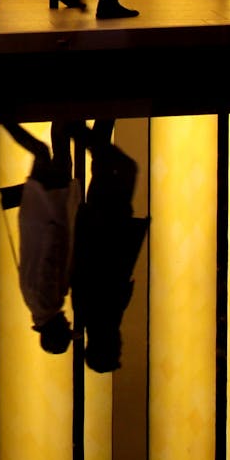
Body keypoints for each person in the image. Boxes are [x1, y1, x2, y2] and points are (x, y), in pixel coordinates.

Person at [71, 120, 149, 373]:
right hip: (104, 224)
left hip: (105, 224)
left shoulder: (97, 317)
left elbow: (86, 266)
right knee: (107, 166)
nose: (121, 346)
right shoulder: (94, 319)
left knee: (124, 169)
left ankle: (76, 129)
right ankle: (100, 118)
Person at [0, 121, 82, 354]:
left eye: (65, 328)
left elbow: (51, 257)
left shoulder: (49, 302)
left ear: (56, 330)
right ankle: (58, 116)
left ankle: (6, 119)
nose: (68, 323)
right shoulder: (34, 303)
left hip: (50, 212)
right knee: (51, 155)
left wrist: (59, 225)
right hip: (40, 216)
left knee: (48, 154)